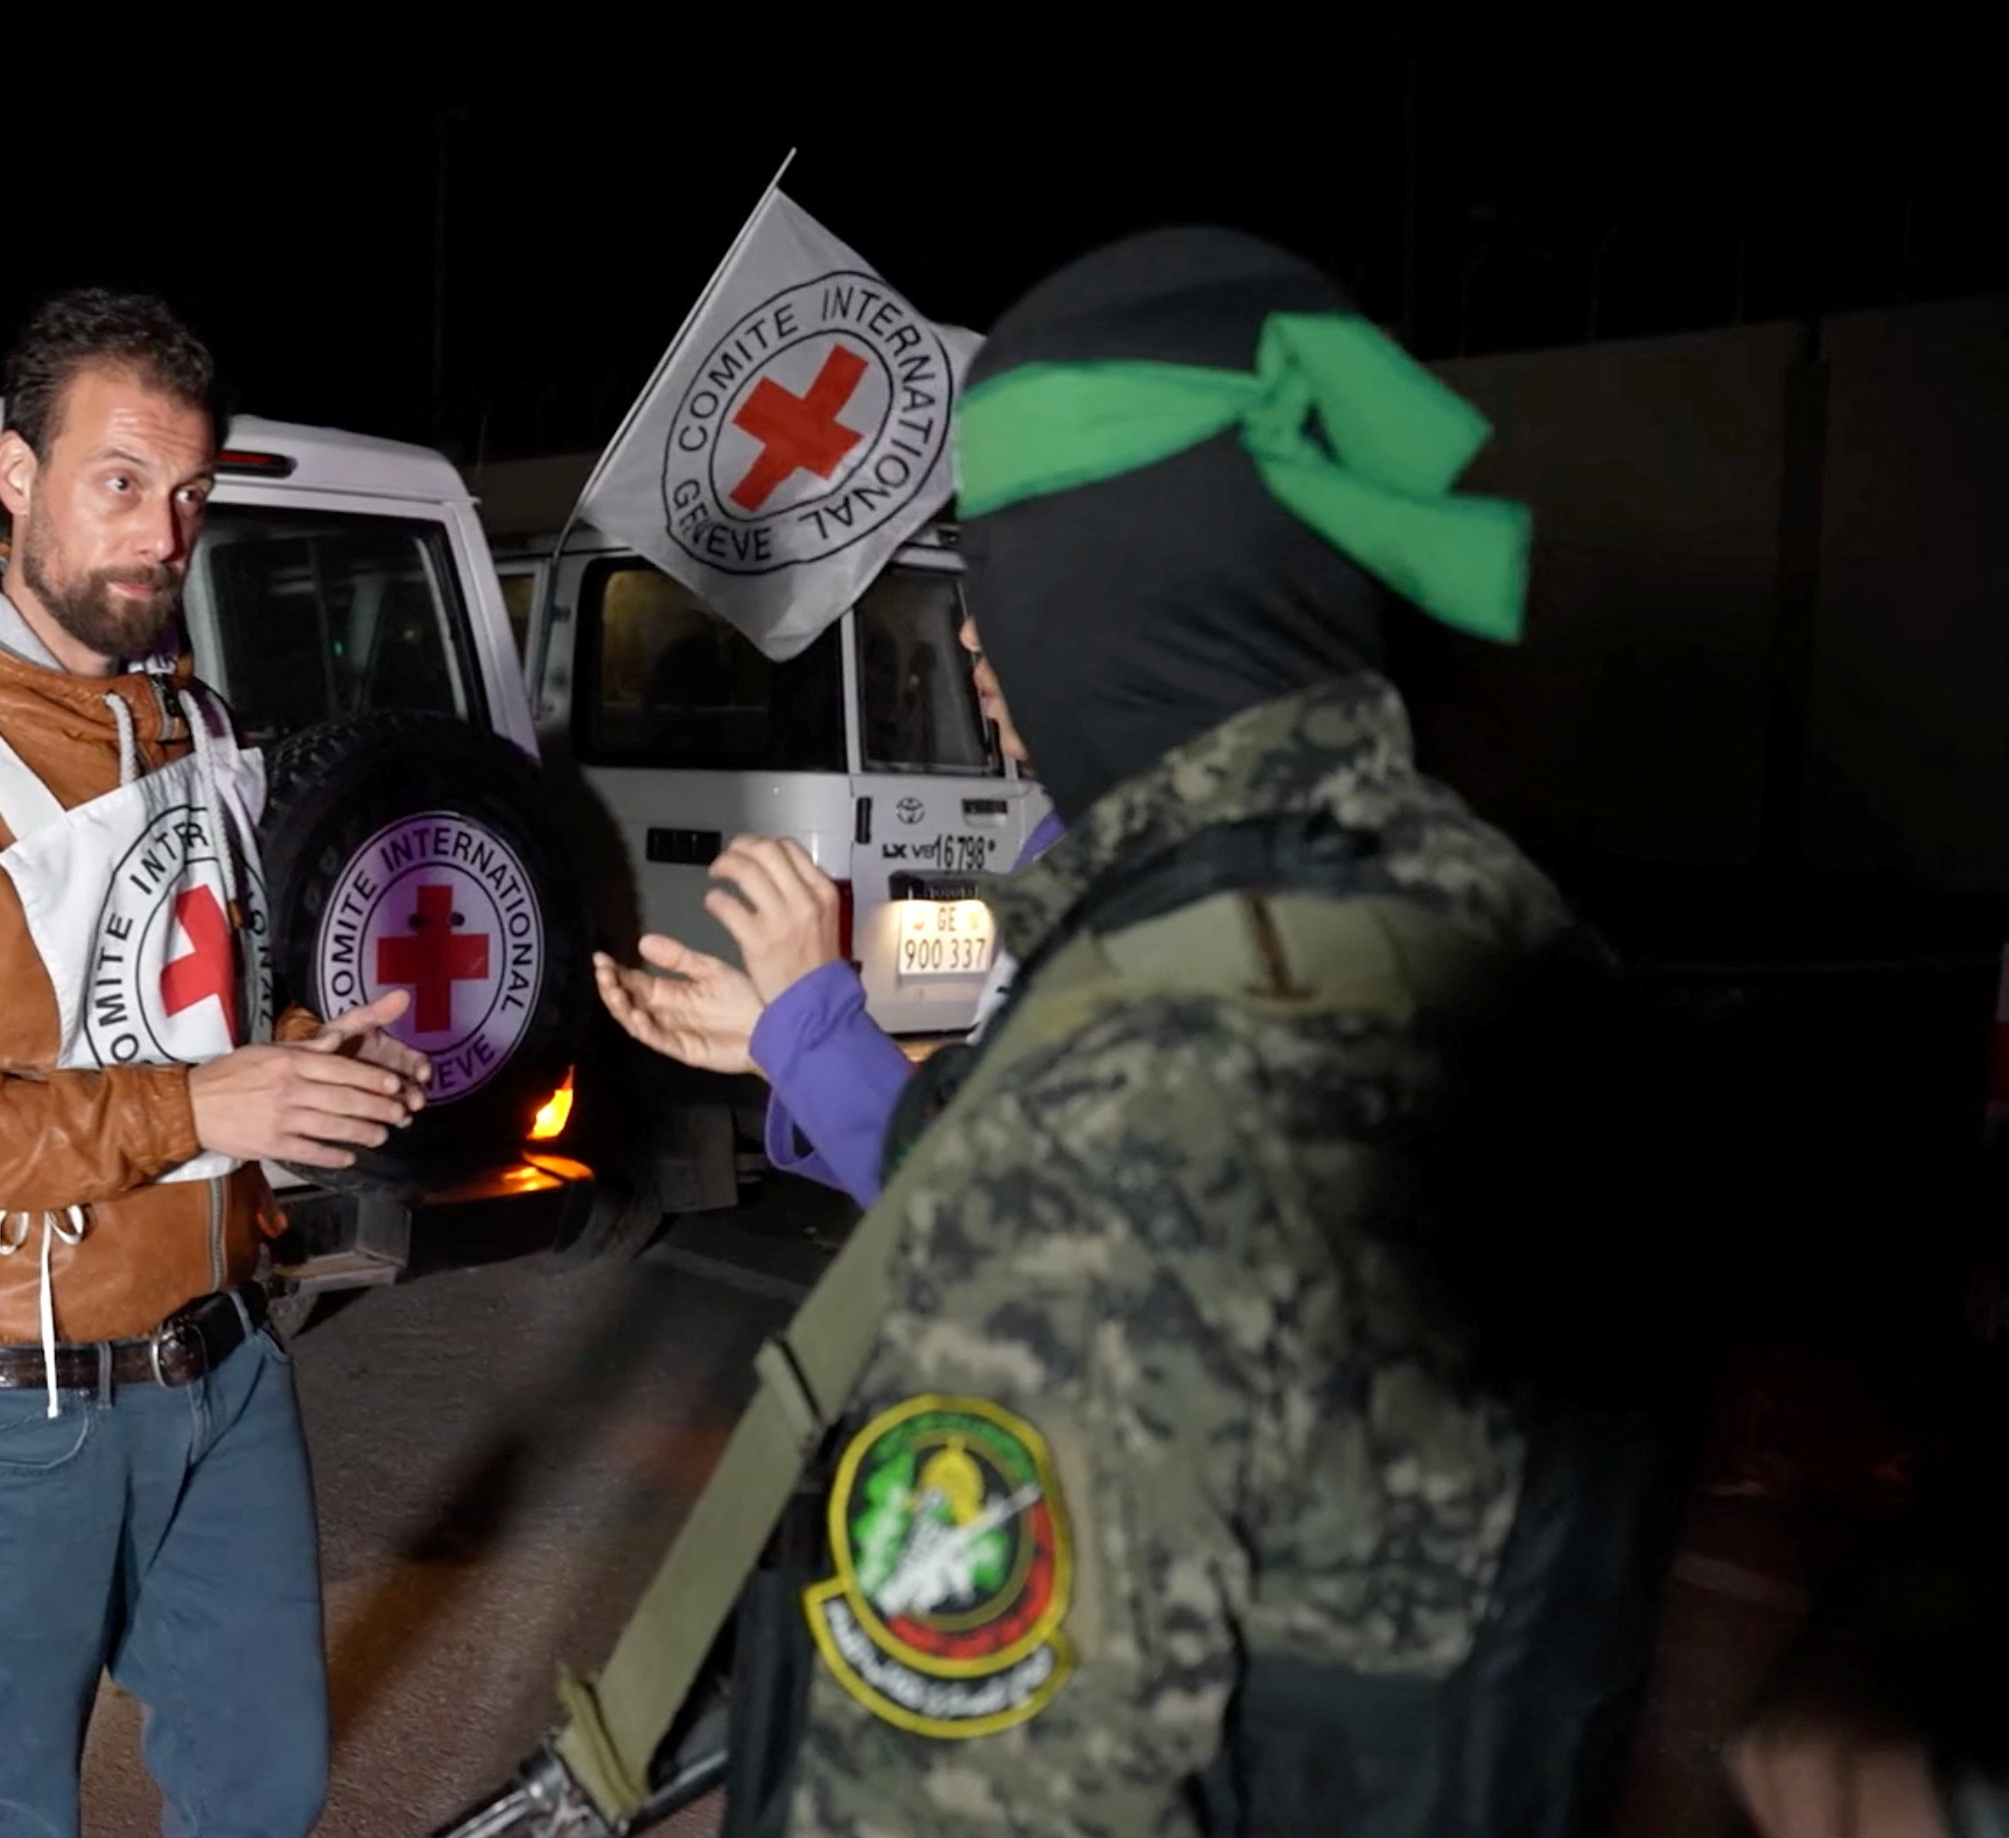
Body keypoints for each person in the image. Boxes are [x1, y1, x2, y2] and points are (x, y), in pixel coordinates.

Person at [498, 227, 1680, 1838]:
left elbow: (961, 1785)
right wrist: (792, 1040)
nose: (976, 637)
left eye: (1000, 570)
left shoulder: (1143, 1080)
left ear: (1109, 575)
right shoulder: (1490, 932)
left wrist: (824, 1034)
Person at [0, 290, 430, 1838]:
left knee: (265, 1778)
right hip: (14, 1400)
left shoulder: (183, 712)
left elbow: (147, 1006)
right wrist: (203, 1104)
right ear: (14, 476)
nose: (163, 530)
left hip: (224, 1351)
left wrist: (288, 1065)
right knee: (11, 1800)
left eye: (189, 492)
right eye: (119, 481)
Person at [591, 614, 1059, 1204]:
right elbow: (954, 1149)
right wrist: (774, 1041)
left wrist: (810, 1032)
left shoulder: (1158, 883)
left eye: (1010, 572)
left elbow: (988, 1211)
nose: (969, 631)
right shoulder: (1065, 843)